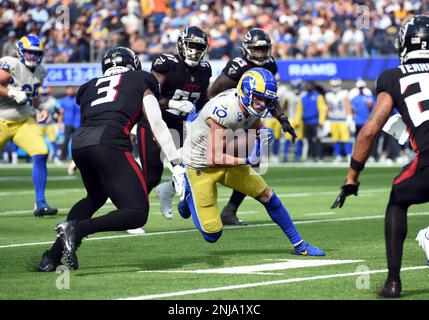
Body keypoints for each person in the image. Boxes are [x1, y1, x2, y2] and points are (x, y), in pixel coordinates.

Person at [38, 47, 185, 271]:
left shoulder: (89, 86)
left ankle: (51, 257)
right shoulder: (141, 78)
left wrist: (77, 159)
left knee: (95, 197)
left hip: (80, 143)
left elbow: (95, 118)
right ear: (133, 63)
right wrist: (175, 162)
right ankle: (77, 230)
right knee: (136, 213)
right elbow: (156, 123)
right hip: (110, 143)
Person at [179, 67, 325, 256]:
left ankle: (300, 245)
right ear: (246, 92)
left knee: (267, 196)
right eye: (258, 98)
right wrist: (247, 158)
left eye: (266, 100)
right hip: (200, 164)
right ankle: (187, 192)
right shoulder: (225, 110)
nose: (262, 104)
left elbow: (257, 126)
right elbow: (213, 158)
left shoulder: (252, 105)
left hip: (226, 158)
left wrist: (262, 137)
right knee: (212, 234)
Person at [332, 15, 429, 298]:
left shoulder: (393, 76)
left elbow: (370, 130)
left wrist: (352, 176)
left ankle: (393, 282)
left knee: (398, 199)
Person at [208, 28, 296, 226]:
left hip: (249, 120)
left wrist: (282, 119)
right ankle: (188, 194)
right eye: (256, 49)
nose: (261, 53)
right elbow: (212, 92)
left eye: (264, 49)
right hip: (227, 117)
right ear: (247, 48)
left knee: (252, 162)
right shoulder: (237, 66)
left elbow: (270, 96)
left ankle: (230, 210)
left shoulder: (270, 64)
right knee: (212, 161)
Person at [137, 26, 211, 220]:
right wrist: (173, 103)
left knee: (193, 169)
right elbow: (149, 96)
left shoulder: (205, 70)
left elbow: (203, 99)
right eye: (191, 45)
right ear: (181, 44)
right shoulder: (167, 64)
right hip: (154, 123)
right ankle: (132, 213)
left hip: (179, 126)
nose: (195, 50)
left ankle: (167, 191)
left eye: (199, 46)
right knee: (151, 175)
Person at [0, 34, 57, 216]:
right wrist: (10, 92)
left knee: (41, 152)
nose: (32, 56)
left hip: (23, 121)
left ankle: (40, 203)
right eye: (29, 53)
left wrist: (40, 106)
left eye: (35, 53)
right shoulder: (11, 64)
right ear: (20, 52)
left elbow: (33, 92)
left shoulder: (41, 70)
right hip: (1, 119)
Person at [294, 81, 327, 162]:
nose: (307, 86)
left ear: (312, 86)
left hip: (316, 122)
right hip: (306, 122)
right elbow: (299, 111)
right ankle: (312, 156)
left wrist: (321, 121)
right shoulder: (303, 98)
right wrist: (297, 122)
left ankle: (320, 157)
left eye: (309, 85)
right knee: (309, 140)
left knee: (317, 140)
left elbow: (322, 110)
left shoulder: (318, 97)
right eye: (306, 85)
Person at [325, 78, 354, 163]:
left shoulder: (344, 94)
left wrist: (349, 118)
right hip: (333, 119)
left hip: (342, 119)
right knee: (335, 139)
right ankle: (338, 156)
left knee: (345, 139)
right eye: (333, 86)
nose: (335, 87)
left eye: (336, 86)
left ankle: (349, 155)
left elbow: (348, 106)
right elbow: (329, 108)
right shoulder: (329, 95)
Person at [58, 86, 80, 161]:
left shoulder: (77, 99)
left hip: (77, 123)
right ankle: (63, 156)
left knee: (77, 140)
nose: (70, 91)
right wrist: (59, 123)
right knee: (66, 140)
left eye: (71, 89)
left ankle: (77, 157)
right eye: (69, 89)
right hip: (68, 123)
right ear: (66, 90)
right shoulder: (64, 100)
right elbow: (61, 113)